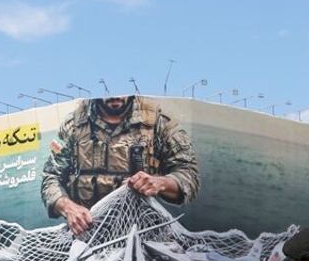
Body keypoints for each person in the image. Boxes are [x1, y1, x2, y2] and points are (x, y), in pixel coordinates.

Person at [41, 96, 200, 235]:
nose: (115, 96)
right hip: (87, 232)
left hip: (144, 231)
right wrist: (68, 208)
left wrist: (161, 183)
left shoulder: (159, 121)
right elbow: (51, 177)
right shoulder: (73, 125)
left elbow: (189, 173)